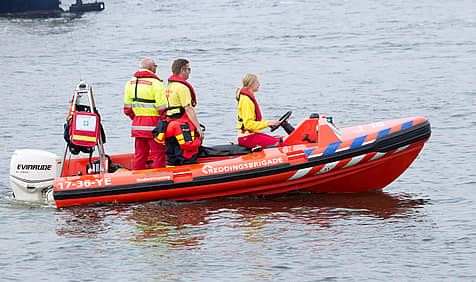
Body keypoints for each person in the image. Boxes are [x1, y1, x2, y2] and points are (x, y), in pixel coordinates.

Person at [124, 58, 167, 170]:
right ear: (151, 68)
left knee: (140, 155)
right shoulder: (157, 84)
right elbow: (162, 108)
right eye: (156, 66)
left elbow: (127, 109)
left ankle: (136, 179)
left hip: (138, 125)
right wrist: (164, 122)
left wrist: (138, 118)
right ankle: (159, 178)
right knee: (158, 154)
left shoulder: (130, 83)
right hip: (154, 126)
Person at [162, 58, 203, 166]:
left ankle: (170, 178)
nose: (189, 72)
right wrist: (198, 128)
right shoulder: (182, 87)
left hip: (170, 125)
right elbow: (188, 108)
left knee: (172, 157)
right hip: (182, 126)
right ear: (182, 70)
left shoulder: (170, 86)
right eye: (189, 69)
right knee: (187, 155)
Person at [236, 74, 286, 149]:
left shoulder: (247, 98)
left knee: (280, 140)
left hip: (252, 135)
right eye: (257, 82)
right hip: (247, 137)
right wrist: (267, 123)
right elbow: (248, 125)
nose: (259, 85)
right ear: (251, 84)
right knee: (280, 145)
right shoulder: (246, 100)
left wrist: (269, 123)